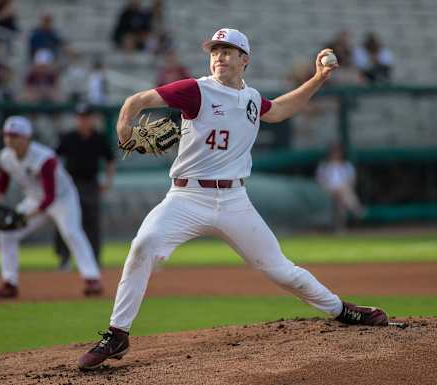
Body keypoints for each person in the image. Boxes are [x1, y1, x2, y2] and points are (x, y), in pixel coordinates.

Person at [77, 28, 389, 370]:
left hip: (234, 200)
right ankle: (117, 334)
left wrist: (318, 78)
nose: (219, 56)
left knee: (281, 271)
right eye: (214, 51)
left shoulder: (252, 99)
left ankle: (341, 310)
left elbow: (283, 109)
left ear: (245, 60)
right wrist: (124, 128)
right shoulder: (196, 90)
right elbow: (135, 101)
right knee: (143, 245)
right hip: (187, 196)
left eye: (228, 50)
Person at [0, 116, 102, 299]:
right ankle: (9, 283)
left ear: (26, 137)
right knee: (6, 232)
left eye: (14, 135)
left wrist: (24, 216)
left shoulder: (45, 158)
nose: (9, 139)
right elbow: (3, 180)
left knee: (71, 232)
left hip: (62, 199)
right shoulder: (5, 156)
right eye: (6, 135)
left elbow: (49, 198)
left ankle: (92, 279)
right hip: (34, 199)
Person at [54, 103, 116, 269]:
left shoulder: (99, 138)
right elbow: (54, 160)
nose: (83, 121)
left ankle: (94, 259)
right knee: (67, 222)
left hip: (91, 184)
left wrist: (107, 182)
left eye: (86, 117)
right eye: (80, 117)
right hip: (70, 185)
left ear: (92, 119)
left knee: (92, 222)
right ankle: (64, 259)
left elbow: (110, 160)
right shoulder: (68, 137)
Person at [316, 143, 365, 231]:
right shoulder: (324, 166)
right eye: (334, 152)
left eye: (337, 152)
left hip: (344, 190)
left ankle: (340, 228)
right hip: (327, 190)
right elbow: (320, 182)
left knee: (341, 198)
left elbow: (352, 181)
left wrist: (340, 189)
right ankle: (356, 209)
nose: (336, 154)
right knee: (341, 192)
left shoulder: (347, 166)